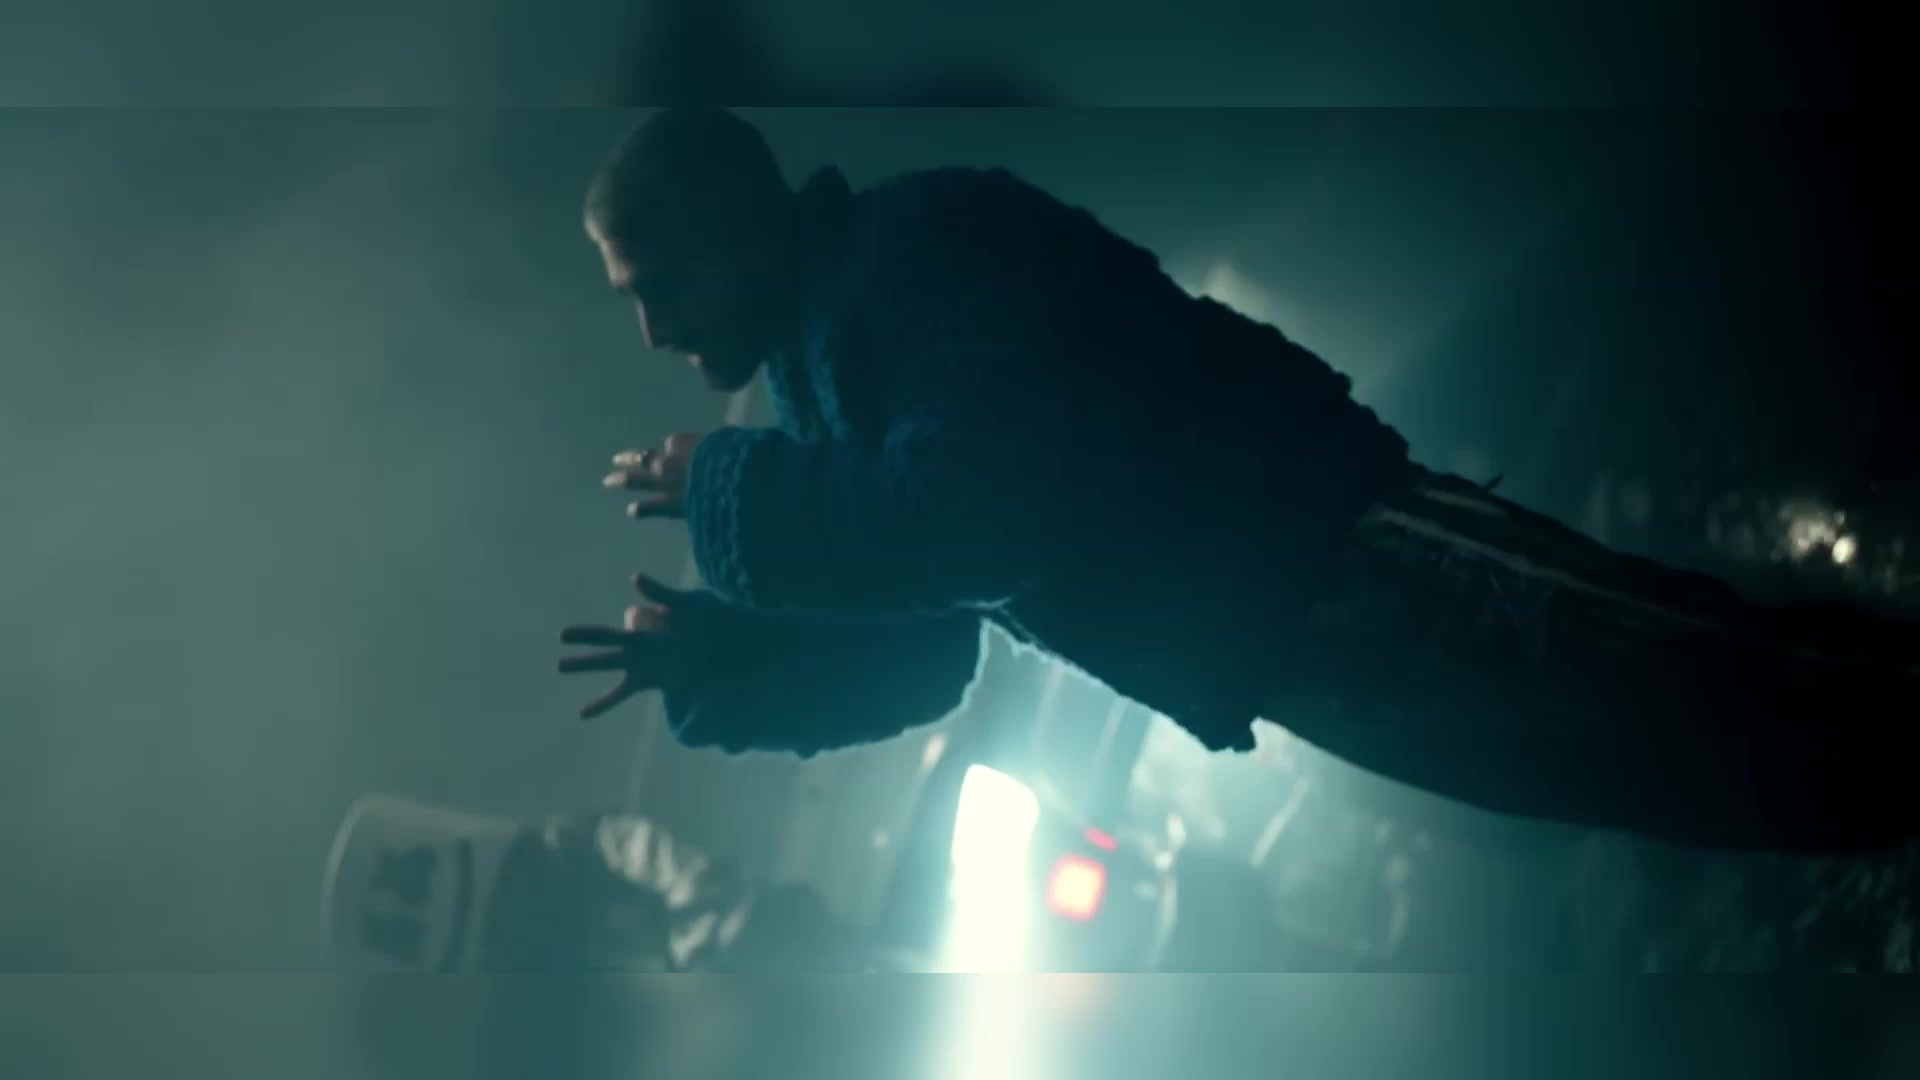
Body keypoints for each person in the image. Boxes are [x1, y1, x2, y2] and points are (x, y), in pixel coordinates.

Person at [558, 108, 1920, 855]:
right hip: (1287, 647)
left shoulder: (915, 250)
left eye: (661, 282)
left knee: (1719, 690)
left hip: (1340, 550)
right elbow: (927, 657)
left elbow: (983, 518)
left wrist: (735, 493)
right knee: (1682, 775)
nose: (653, 330)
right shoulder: (817, 383)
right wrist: (729, 661)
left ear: (739, 222)